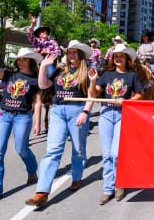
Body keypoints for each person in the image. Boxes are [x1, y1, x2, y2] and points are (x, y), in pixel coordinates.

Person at [0, 37, 43, 207]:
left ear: (31, 61)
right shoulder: (10, 75)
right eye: (19, 59)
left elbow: (37, 101)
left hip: (22, 116)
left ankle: (32, 171)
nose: (20, 62)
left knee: (21, 148)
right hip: (3, 115)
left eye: (24, 59)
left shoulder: (36, 80)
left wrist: (37, 122)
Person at [25, 40, 92, 208]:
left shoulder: (88, 71)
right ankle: (42, 192)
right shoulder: (60, 69)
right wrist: (43, 67)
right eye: (69, 52)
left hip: (77, 109)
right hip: (57, 110)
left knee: (78, 149)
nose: (71, 55)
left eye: (74, 52)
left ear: (81, 55)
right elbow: (43, 85)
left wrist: (85, 111)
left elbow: (91, 95)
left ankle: (76, 177)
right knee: (53, 151)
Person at [86, 43, 143, 204]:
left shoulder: (132, 75)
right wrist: (92, 81)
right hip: (105, 114)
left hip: (122, 115)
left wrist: (127, 101)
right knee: (106, 154)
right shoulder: (106, 75)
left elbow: (139, 94)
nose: (118, 58)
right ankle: (108, 189)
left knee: (115, 154)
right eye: (116, 56)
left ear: (126, 58)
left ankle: (120, 184)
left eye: (121, 56)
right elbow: (93, 93)